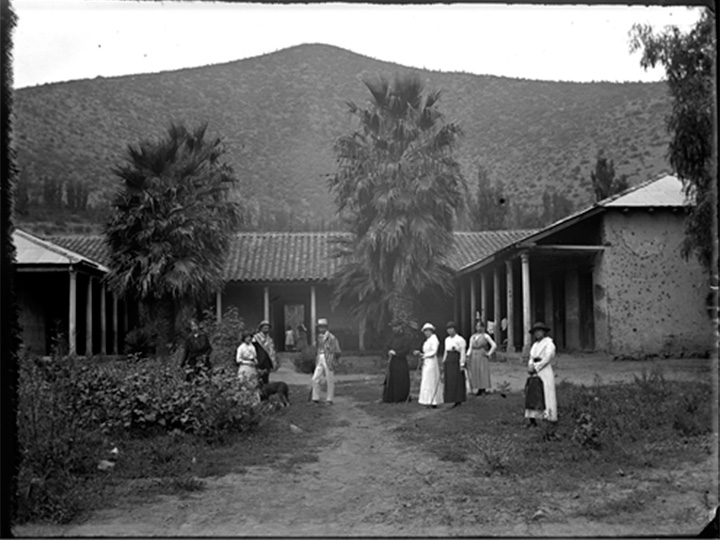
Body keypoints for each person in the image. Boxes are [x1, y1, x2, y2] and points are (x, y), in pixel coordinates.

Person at [524, 321, 557, 429]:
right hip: (534, 371)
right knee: (533, 393)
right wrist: (530, 366)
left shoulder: (549, 343)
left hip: (544, 370)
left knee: (546, 392)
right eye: (536, 332)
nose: (538, 334)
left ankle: (547, 417)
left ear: (544, 332)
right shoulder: (535, 345)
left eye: (540, 331)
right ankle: (533, 418)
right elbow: (531, 357)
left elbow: (548, 357)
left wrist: (537, 366)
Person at [382, 323, 416, 403]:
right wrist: (388, 351)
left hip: (401, 362)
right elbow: (387, 346)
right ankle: (390, 397)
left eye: (396, 327)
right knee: (391, 378)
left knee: (401, 379)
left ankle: (400, 397)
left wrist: (396, 353)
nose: (395, 329)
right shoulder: (393, 337)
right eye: (394, 327)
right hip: (392, 361)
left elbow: (406, 349)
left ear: (400, 327)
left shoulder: (406, 338)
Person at [311, 318, 341, 405]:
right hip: (320, 358)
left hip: (329, 358)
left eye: (323, 327)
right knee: (315, 378)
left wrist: (335, 360)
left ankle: (329, 399)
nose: (321, 329)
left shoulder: (331, 337)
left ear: (326, 327)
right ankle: (315, 398)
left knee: (329, 379)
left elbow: (337, 349)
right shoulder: (319, 337)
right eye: (320, 327)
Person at [416, 322, 442, 408]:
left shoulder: (434, 339)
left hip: (431, 362)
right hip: (426, 362)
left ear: (431, 331)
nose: (426, 333)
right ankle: (427, 400)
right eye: (424, 331)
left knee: (432, 380)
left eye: (427, 331)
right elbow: (426, 351)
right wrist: (421, 354)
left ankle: (434, 401)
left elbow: (434, 351)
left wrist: (425, 356)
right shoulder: (428, 340)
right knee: (426, 380)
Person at [468, 320, 497, 396]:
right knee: (476, 371)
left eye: (480, 326)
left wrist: (489, 353)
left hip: (482, 354)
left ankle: (483, 388)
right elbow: (470, 347)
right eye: (477, 326)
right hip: (474, 354)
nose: (479, 328)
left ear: (483, 327)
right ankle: (478, 388)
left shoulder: (486, 336)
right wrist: (468, 355)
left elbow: (494, 345)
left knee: (482, 370)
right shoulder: (473, 337)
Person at [442, 321, 467, 408]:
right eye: (448, 329)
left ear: (455, 329)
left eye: (451, 329)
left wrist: (462, 364)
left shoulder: (460, 340)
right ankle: (450, 398)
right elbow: (445, 351)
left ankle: (458, 399)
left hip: (456, 359)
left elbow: (463, 353)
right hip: (449, 360)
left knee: (457, 380)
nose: (449, 331)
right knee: (450, 380)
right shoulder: (447, 340)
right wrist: (444, 360)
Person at [253, 320, 276, 385]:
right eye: (265, 328)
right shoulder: (256, 338)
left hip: (267, 361)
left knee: (266, 378)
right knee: (259, 378)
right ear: (261, 328)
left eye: (268, 328)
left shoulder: (269, 339)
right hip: (259, 360)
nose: (267, 329)